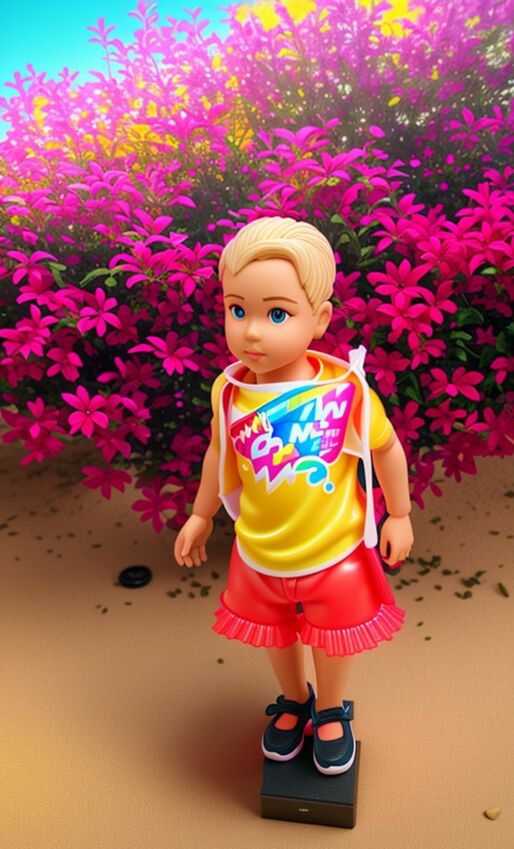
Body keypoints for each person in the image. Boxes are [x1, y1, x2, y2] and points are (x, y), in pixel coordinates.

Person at [174, 216, 414, 776]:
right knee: (275, 632)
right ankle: (295, 698)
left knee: (333, 636)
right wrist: (201, 514)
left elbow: (386, 448)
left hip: (333, 550)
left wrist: (399, 513)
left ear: (320, 319)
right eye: (238, 311)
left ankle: (330, 709)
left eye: (277, 314)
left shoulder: (344, 390)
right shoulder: (229, 391)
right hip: (260, 549)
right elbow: (219, 454)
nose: (252, 332)